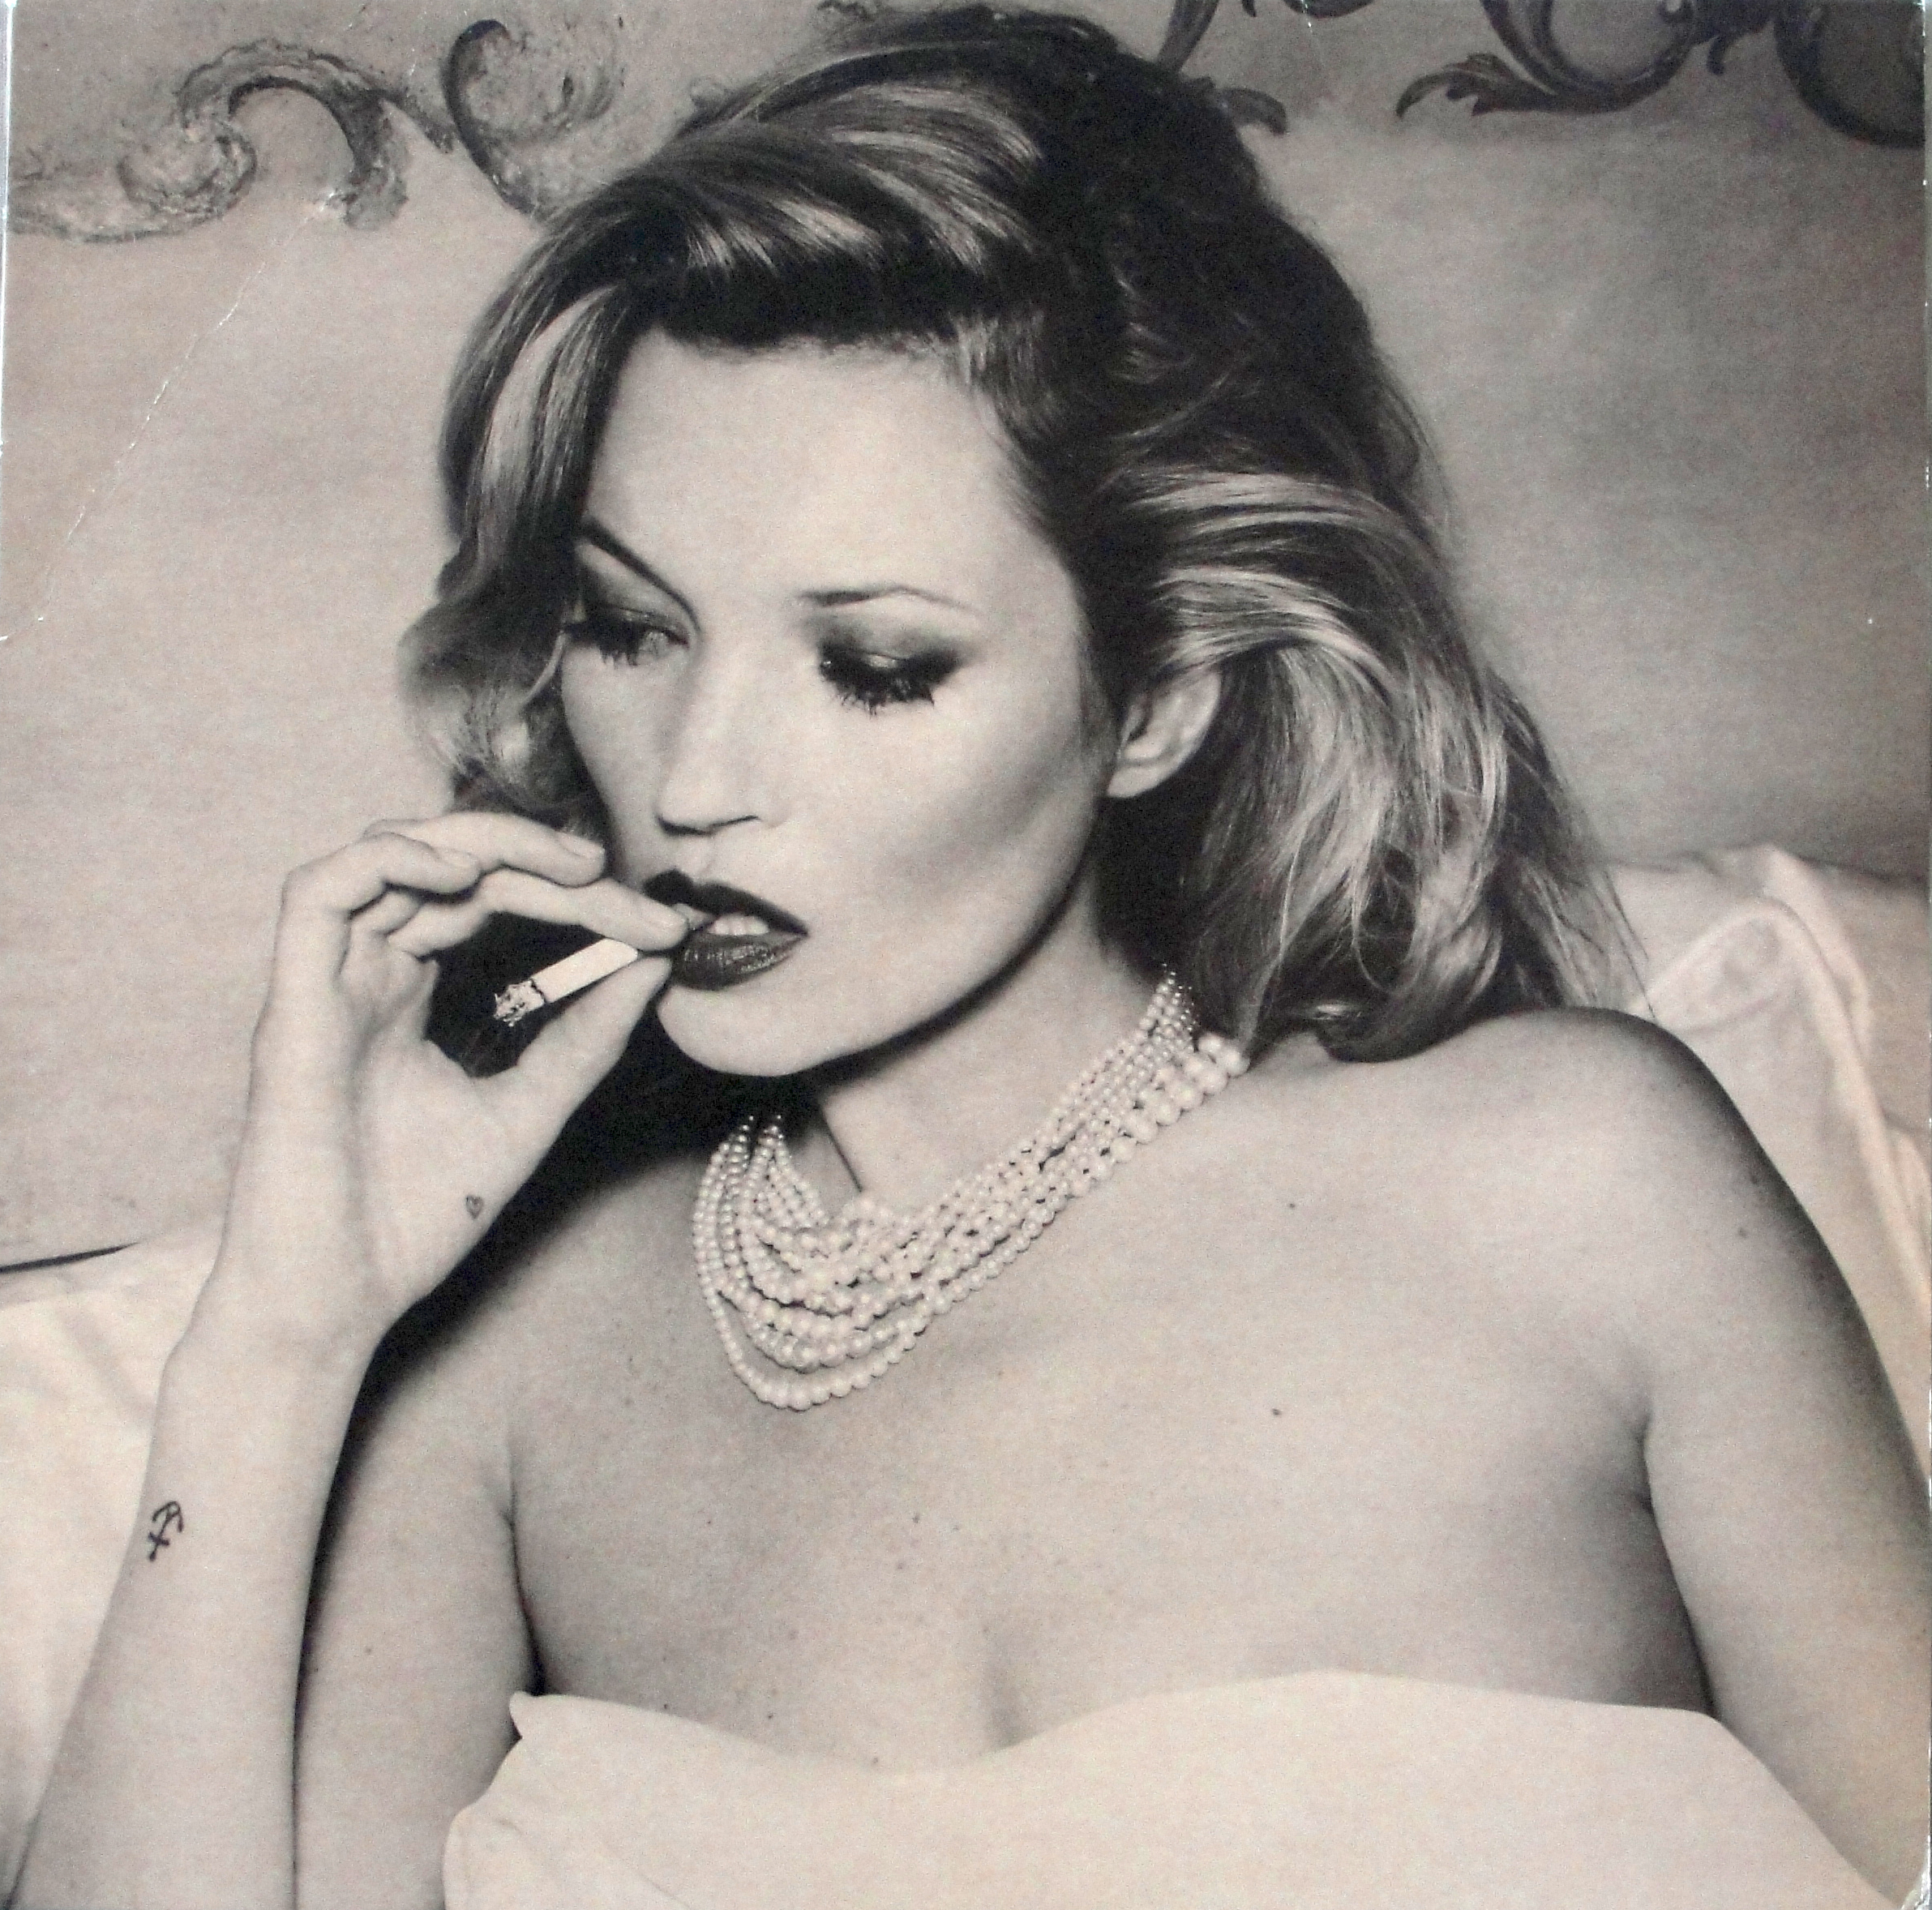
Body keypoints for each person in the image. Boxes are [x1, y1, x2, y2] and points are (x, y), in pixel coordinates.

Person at [17, 8, 1926, 1907]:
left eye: (873, 665)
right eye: (632, 628)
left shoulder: (1575, 1178)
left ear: (1157, 699)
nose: (691, 781)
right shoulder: (499, 1355)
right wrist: (277, 1334)